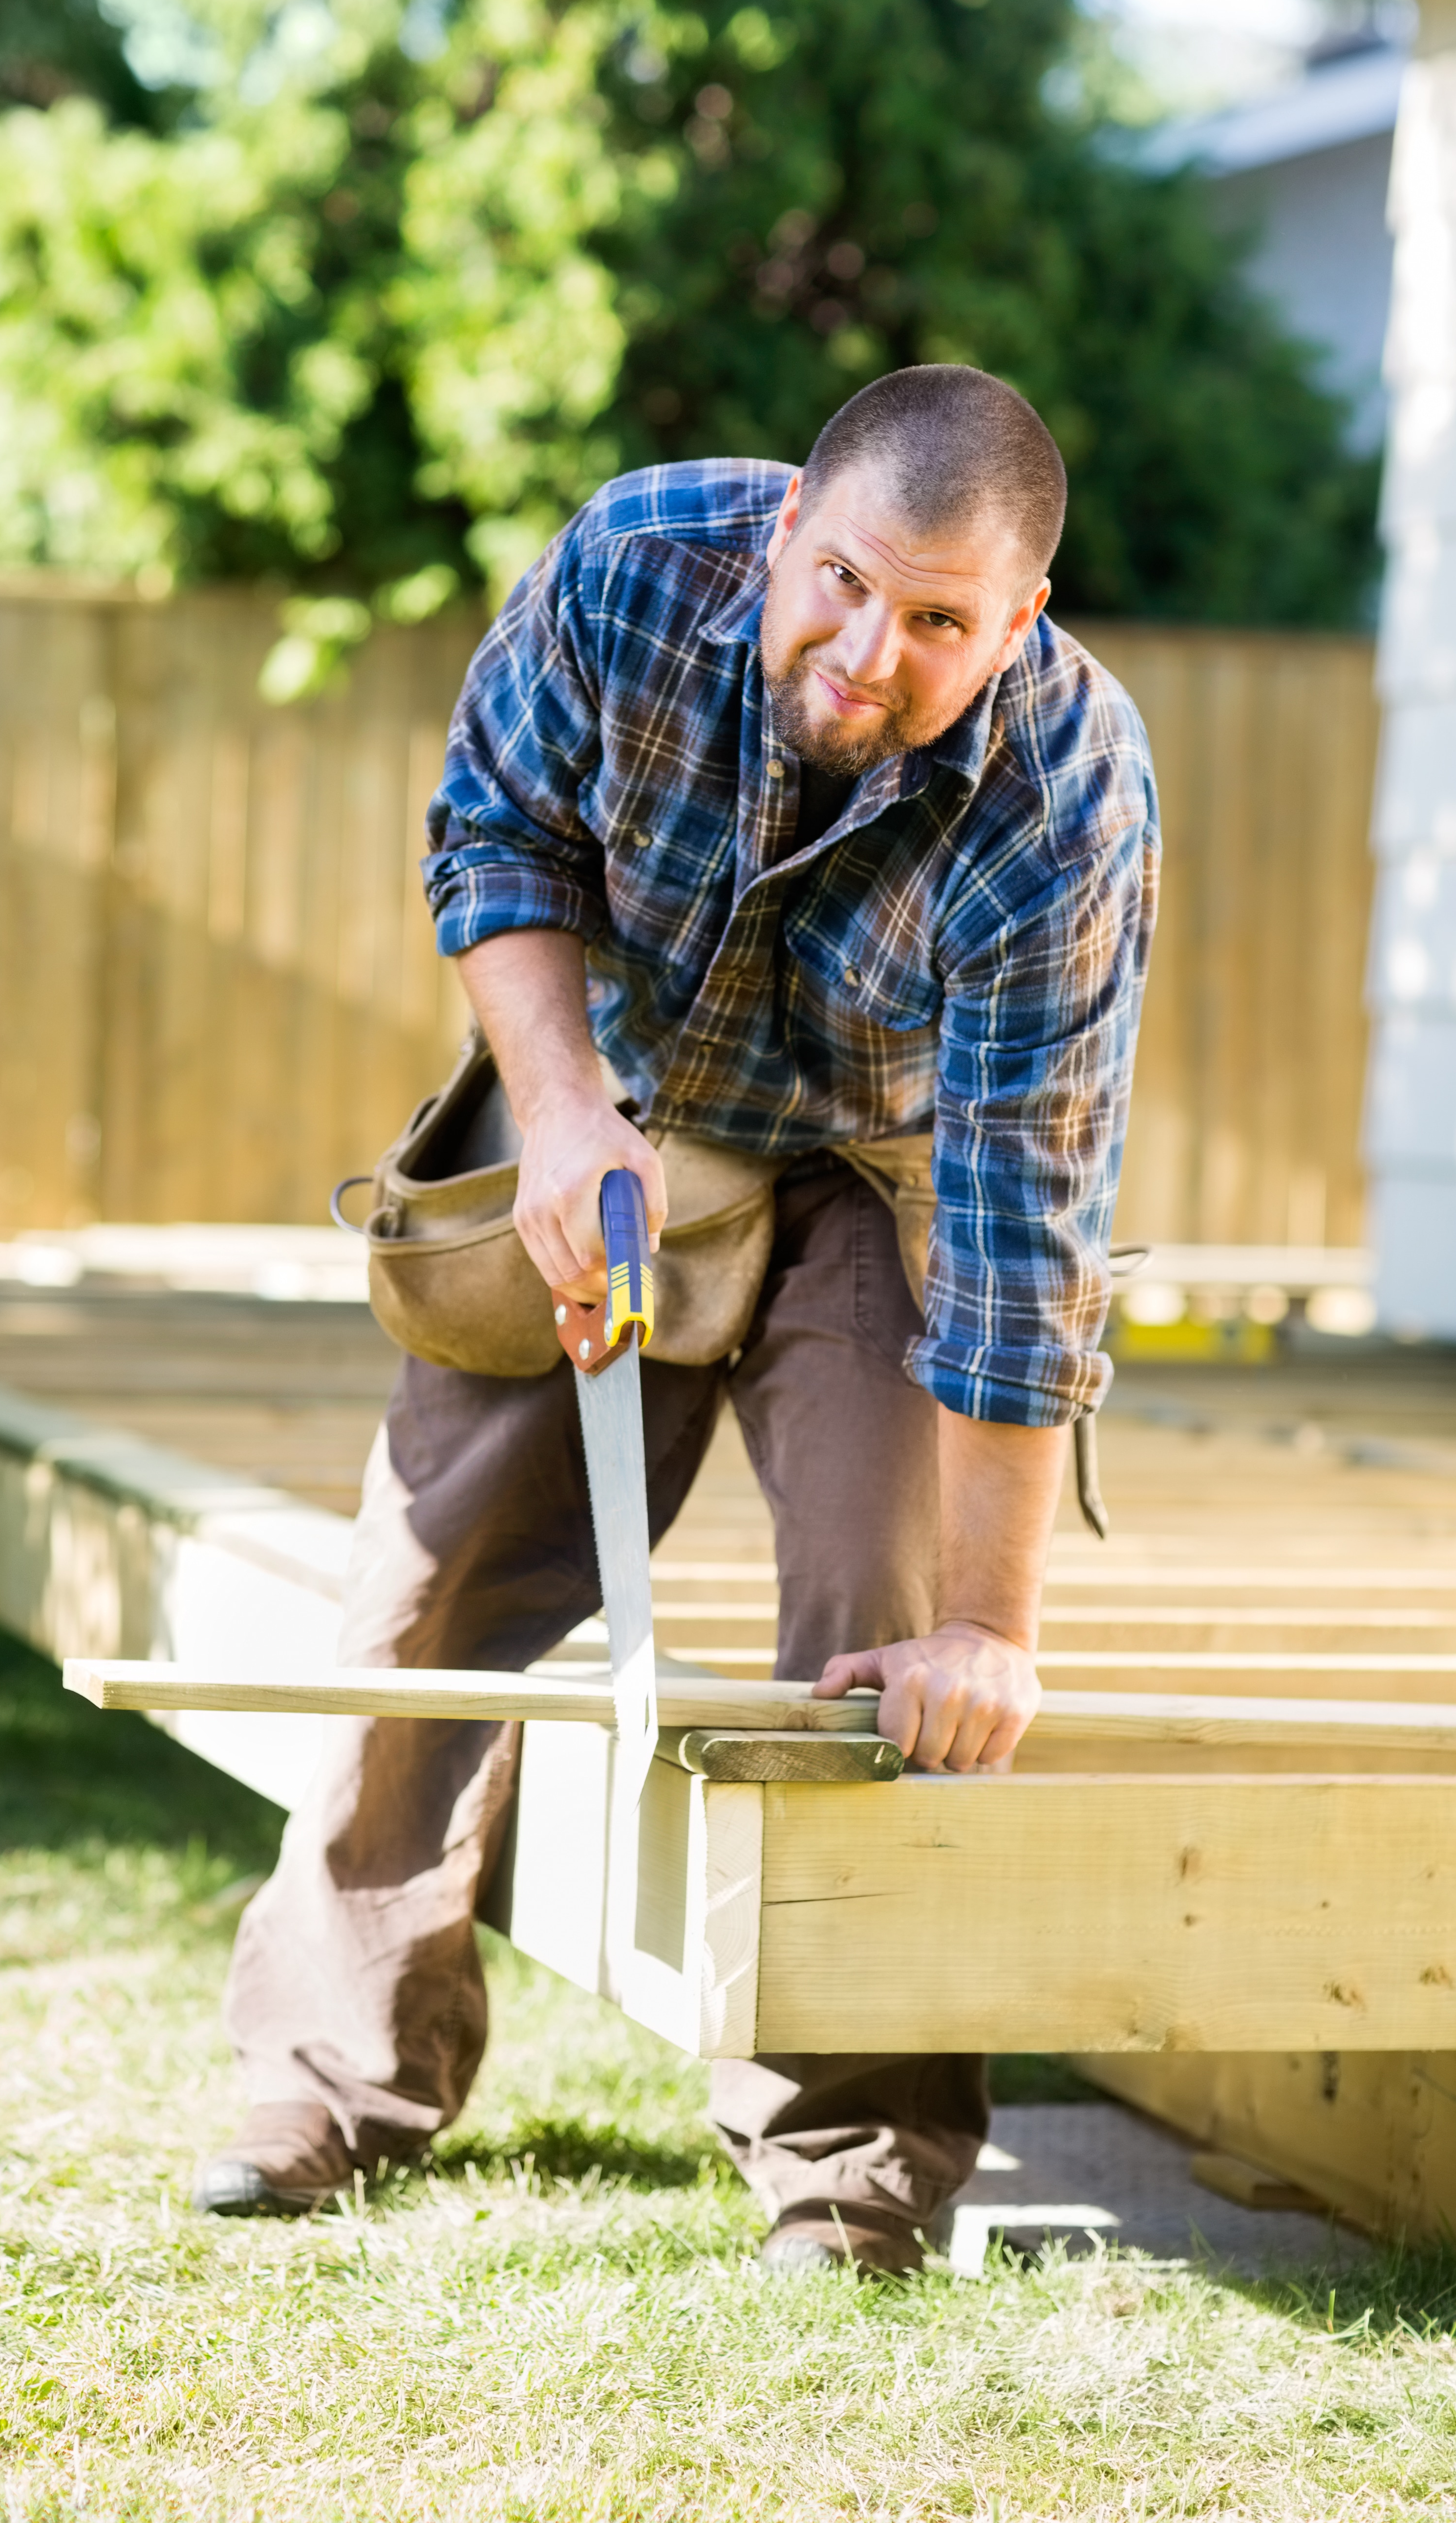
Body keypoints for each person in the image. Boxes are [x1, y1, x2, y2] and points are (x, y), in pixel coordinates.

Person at [195, 364, 1159, 2276]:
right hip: (615, 1108)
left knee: (882, 1632)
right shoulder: (637, 561)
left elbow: (1021, 1230)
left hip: (889, 1176)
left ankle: (856, 2168)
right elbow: (498, 834)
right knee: (435, 1569)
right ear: (784, 529)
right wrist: (556, 1114)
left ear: (1019, 621)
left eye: (943, 623)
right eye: (848, 585)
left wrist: (993, 1629)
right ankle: (333, 2074)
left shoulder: (1067, 792)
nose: (873, 652)